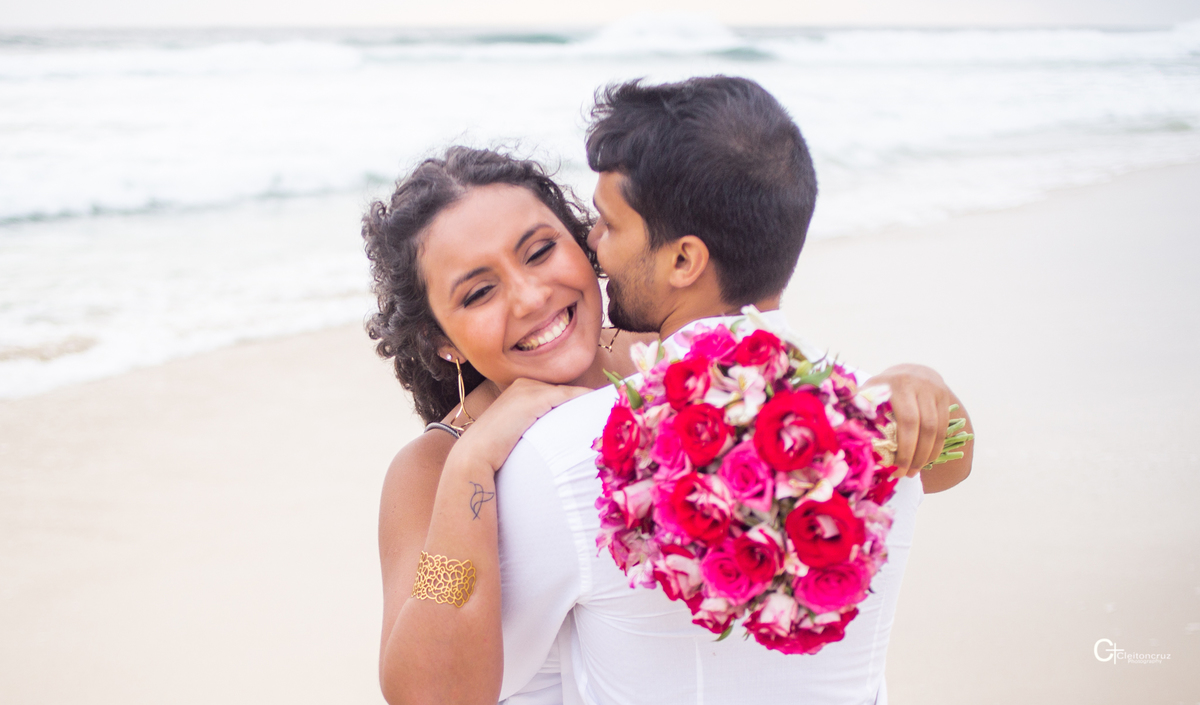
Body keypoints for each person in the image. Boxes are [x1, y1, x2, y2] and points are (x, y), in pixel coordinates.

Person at [363, 143, 971, 702]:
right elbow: (425, 694)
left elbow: (938, 469)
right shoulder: (434, 464)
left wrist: (916, 387)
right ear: (442, 341)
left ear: (586, 245)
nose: (529, 297)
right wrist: (474, 461)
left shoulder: (668, 362)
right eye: (478, 294)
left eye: (540, 251)